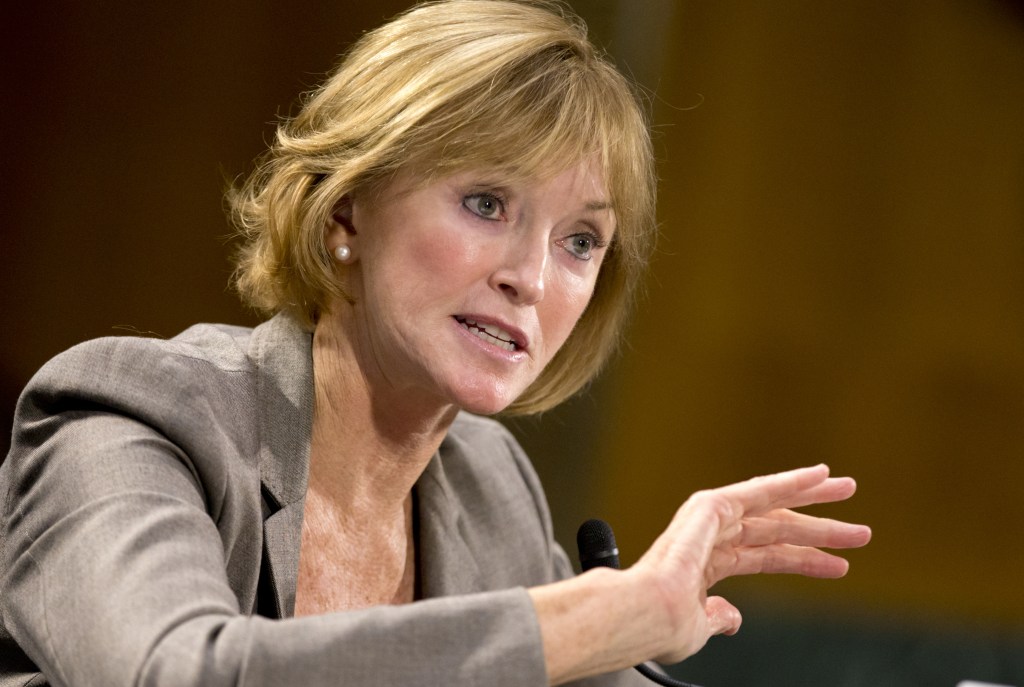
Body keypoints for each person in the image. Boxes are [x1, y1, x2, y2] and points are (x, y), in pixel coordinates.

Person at [0, 1, 871, 685]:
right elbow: (170, 673)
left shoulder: (491, 491)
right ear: (347, 210)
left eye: (580, 241)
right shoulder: (132, 416)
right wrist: (601, 615)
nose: (531, 275)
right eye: (487, 203)